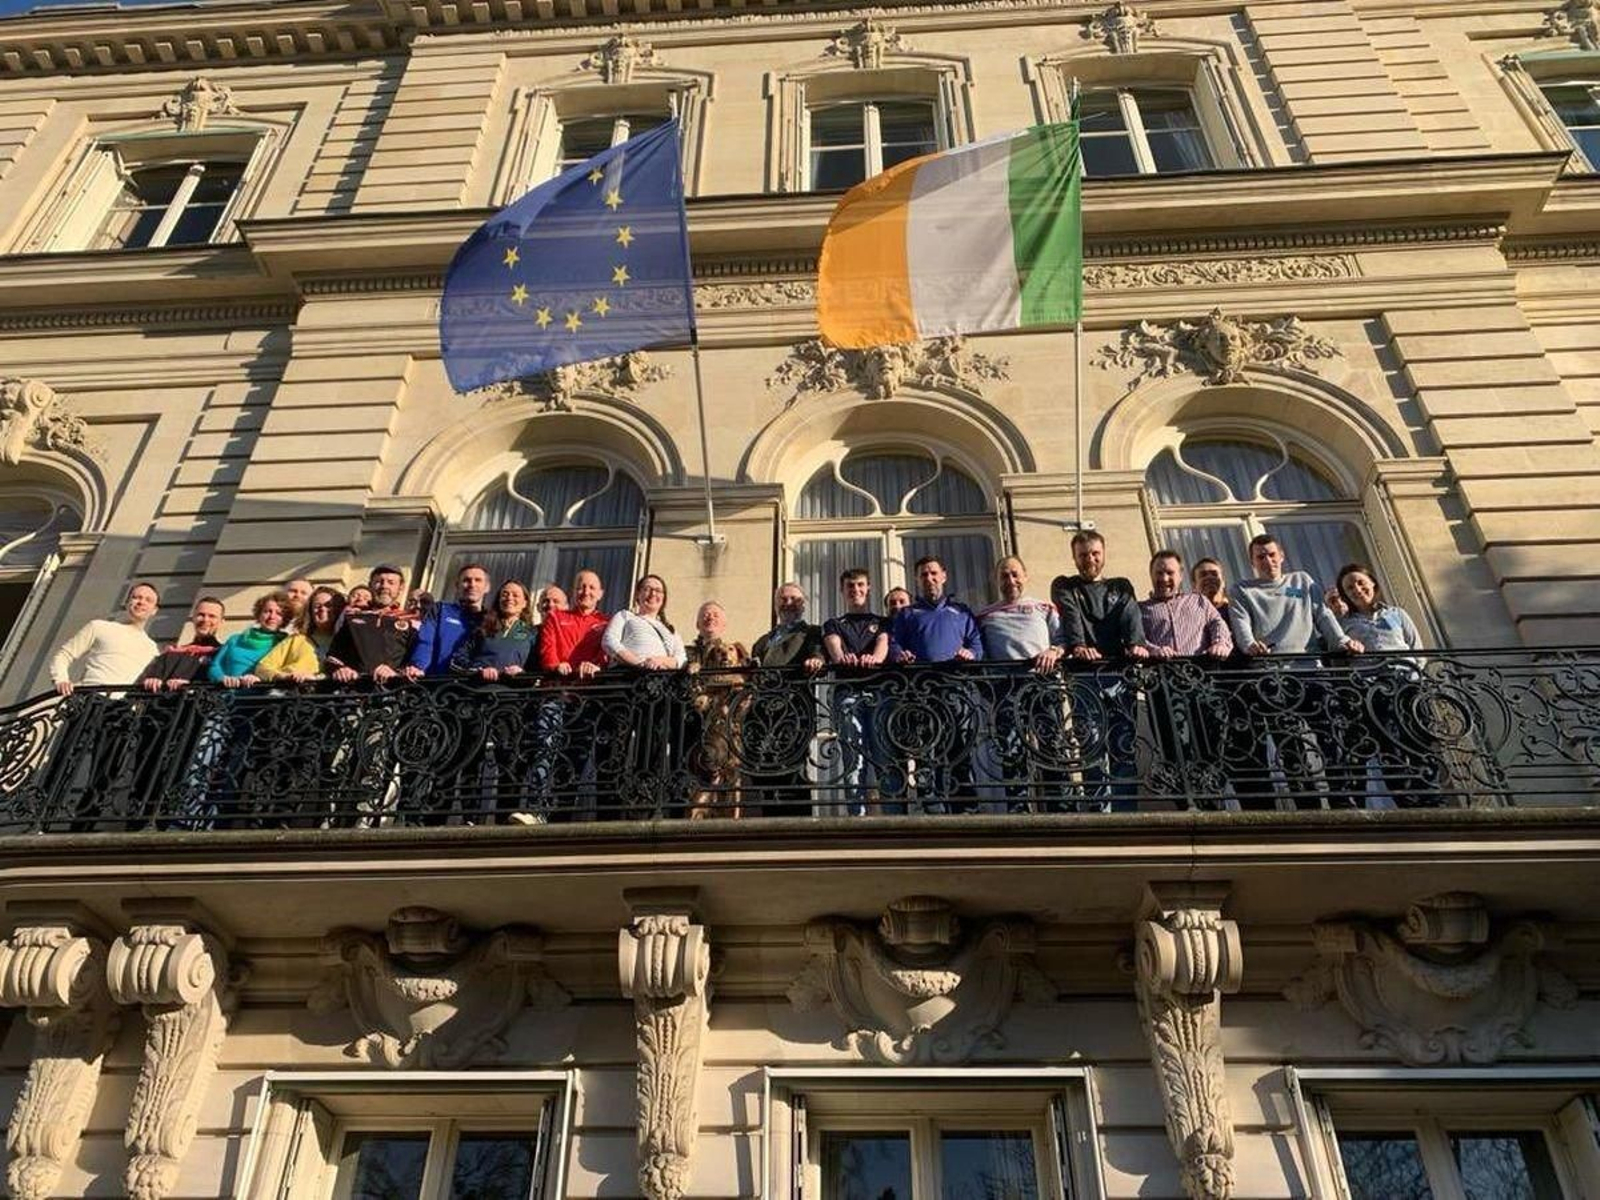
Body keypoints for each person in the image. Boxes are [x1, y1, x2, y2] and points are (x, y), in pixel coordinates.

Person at [1227, 534, 1362, 809]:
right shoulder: (1242, 589)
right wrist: (1250, 645)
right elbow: (1241, 627)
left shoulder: (1302, 581)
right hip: (1273, 677)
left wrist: (1342, 641)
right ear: (1252, 562)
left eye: (1271, 554)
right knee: (1290, 745)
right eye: (1260, 557)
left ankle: (1343, 799)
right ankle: (1307, 803)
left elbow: (1323, 616)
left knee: (1330, 736)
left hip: (1311, 671)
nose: (1267, 561)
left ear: (1282, 555)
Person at [1050, 532, 1146, 808]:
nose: (1089, 559)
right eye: (1083, 554)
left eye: (1094, 553)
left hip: (1119, 674)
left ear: (1103, 553)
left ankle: (1126, 817)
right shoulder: (1066, 585)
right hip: (1083, 676)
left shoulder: (1121, 586)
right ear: (1074, 557)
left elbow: (1131, 616)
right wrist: (1079, 645)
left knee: (1123, 747)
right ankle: (1099, 814)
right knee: (1091, 747)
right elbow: (1070, 614)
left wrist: (1136, 644)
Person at [1335, 563, 1442, 806]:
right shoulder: (1344, 625)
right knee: (1389, 747)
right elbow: (1341, 659)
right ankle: (1405, 801)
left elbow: (1417, 649)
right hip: (1374, 688)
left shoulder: (1396, 613)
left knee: (1418, 740)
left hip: (1407, 684)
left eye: (1360, 582)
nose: (1357, 589)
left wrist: (1414, 679)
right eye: (1349, 587)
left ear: (1372, 583)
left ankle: (1431, 797)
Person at [889, 556, 984, 811]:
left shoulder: (962, 611)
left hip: (956, 691)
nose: (929, 579)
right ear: (917, 580)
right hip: (921, 693)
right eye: (923, 575)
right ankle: (933, 813)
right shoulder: (908, 614)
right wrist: (900, 655)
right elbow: (894, 643)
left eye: (933, 573)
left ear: (944, 575)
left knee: (960, 751)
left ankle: (965, 811)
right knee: (924, 756)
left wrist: (971, 654)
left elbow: (976, 643)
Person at [1138, 551, 1234, 803]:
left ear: (1180, 575)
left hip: (1201, 682)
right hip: (1165, 687)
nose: (1164, 578)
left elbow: (1218, 625)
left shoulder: (1199, 601)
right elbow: (1135, 639)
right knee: (1175, 745)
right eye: (1159, 572)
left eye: (1170, 572)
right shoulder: (1142, 609)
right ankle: (1187, 802)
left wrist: (1220, 644)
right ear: (1151, 575)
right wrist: (1154, 649)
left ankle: (1213, 801)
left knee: (1210, 742)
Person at [977, 557, 1068, 809]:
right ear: (996, 580)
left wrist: (1054, 651)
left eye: (1015, 574)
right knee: (1012, 751)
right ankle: (1020, 810)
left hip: (1043, 685)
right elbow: (978, 654)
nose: (1010, 581)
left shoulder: (1044, 607)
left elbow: (1063, 638)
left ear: (1025, 576)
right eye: (1004, 576)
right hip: (1006, 689)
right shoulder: (984, 615)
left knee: (1053, 747)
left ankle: (1061, 809)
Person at [602, 576, 685, 815]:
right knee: (619, 738)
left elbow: (681, 659)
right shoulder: (625, 616)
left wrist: (660, 661)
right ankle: (612, 802)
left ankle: (644, 799)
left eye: (658, 590)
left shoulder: (670, 629)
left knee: (653, 741)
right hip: (627, 681)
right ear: (638, 593)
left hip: (659, 685)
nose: (653, 593)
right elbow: (610, 642)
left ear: (664, 598)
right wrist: (640, 662)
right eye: (647, 588)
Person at [821, 570, 891, 814]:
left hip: (878, 693)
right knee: (854, 760)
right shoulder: (834, 624)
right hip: (848, 694)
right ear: (843, 590)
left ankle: (893, 820)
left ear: (868, 587)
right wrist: (843, 658)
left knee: (884, 757)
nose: (856, 590)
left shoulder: (882, 622)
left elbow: (882, 648)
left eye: (860, 585)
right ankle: (857, 819)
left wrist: (874, 659)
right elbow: (835, 651)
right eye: (850, 586)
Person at [50, 582, 161, 695]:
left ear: (154, 610)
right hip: (90, 700)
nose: (141, 602)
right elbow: (64, 655)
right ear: (127, 603)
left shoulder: (152, 649)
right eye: (136, 597)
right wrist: (61, 680)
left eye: (148, 600)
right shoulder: (99, 627)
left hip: (122, 708)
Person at [326, 566, 422, 683]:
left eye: (391, 582)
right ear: (370, 585)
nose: (384, 586)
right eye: (378, 582)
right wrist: (340, 669)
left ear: (400, 588)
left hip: (393, 693)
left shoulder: (411, 622)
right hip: (353, 691)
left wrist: (396, 672)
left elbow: (416, 661)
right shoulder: (353, 618)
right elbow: (333, 656)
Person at [405, 563, 491, 678]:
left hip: (474, 687)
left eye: (478, 580)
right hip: (438, 685)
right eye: (466, 580)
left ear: (487, 587)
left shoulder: (491, 620)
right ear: (457, 585)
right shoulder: (441, 610)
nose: (472, 585)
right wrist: (418, 666)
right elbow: (425, 642)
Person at [257, 587, 344, 684]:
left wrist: (315, 677)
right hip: (291, 693)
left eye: (328, 605)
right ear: (310, 612)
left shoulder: (348, 641)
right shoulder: (296, 639)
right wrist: (284, 676)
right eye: (317, 606)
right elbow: (262, 668)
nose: (322, 609)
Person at [453, 581, 536, 680]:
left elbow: (536, 670)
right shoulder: (483, 627)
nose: (509, 598)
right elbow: (457, 660)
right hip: (477, 690)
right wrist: (479, 670)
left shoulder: (531, 633)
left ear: (525, 603)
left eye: (515, 595)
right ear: (498, 600)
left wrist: (521, 673)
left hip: (511, 692)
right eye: (505, 594)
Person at [139, 596, 225, 692]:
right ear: (193, 618)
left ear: (221, 622)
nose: (205, 620)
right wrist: (153, 680)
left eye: (212, 616)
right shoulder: (172, 653)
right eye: (201, 615)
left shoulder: (223, 654)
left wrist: (190, 686)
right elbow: (151, 678)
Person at [208, 592, 290, 688]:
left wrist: (261, 678)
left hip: (263, 699)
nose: (272, 617)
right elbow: (215, 666)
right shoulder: (235, 639)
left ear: (285, 619)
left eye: (279, 613)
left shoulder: (286, 642)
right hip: (229, 697)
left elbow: (288, 670)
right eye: (267, 611)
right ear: (259, 614)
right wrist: (222, 678)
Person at [688, 601, 749, 669]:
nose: (710, 618)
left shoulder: (737, 651)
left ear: (724, 625)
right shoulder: (685, 653)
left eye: (716, 615)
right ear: (697, 624)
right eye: (706, 615)